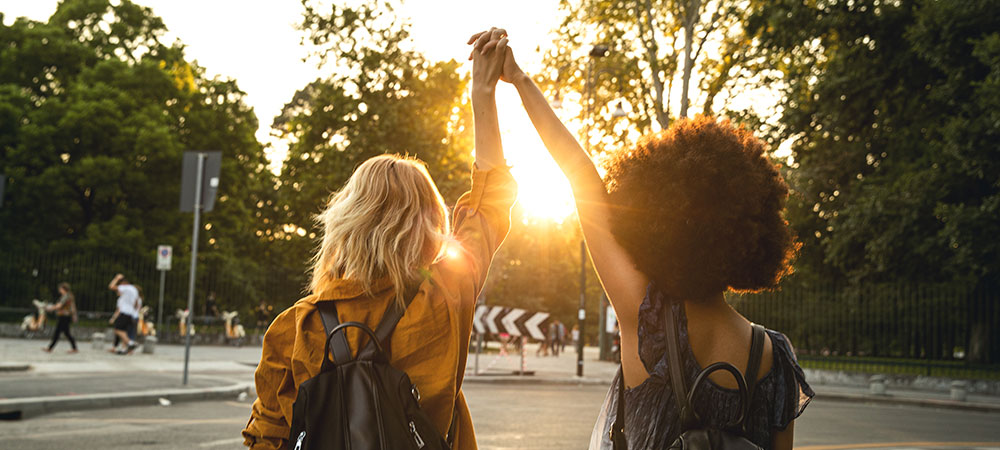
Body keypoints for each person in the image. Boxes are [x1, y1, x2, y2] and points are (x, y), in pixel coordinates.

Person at [468, 29, 813, 449]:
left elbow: (581, 178)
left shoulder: (645, 318)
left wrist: (516, 81)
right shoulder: (775, 357)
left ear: (663, 228)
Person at [242, 29, 516, 450]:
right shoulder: (443, 297)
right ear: (427, 224)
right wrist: (483, 91)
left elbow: (266, 437)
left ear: (346, 222)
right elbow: (492, 197)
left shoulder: (294, 328)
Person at [108, 273, 139, 354]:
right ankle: (124, 349)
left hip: (125, 312)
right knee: (124, 331)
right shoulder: (134, 289)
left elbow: (111, 286)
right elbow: (136, 303)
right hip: (131, 313)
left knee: (118, 330)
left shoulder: (125, 287)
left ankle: (131, 343)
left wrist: (116, 278)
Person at [43, 282, 78, 353]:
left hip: (64, 316)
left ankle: (50, 348)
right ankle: (74, 348)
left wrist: (50, 308)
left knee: (58, 332)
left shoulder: (66, 296)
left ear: (63, 289)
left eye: (60, 288)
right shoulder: (68, 296)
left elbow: (59, 305)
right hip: (64, 316)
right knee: (66, 333)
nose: (59, 290)